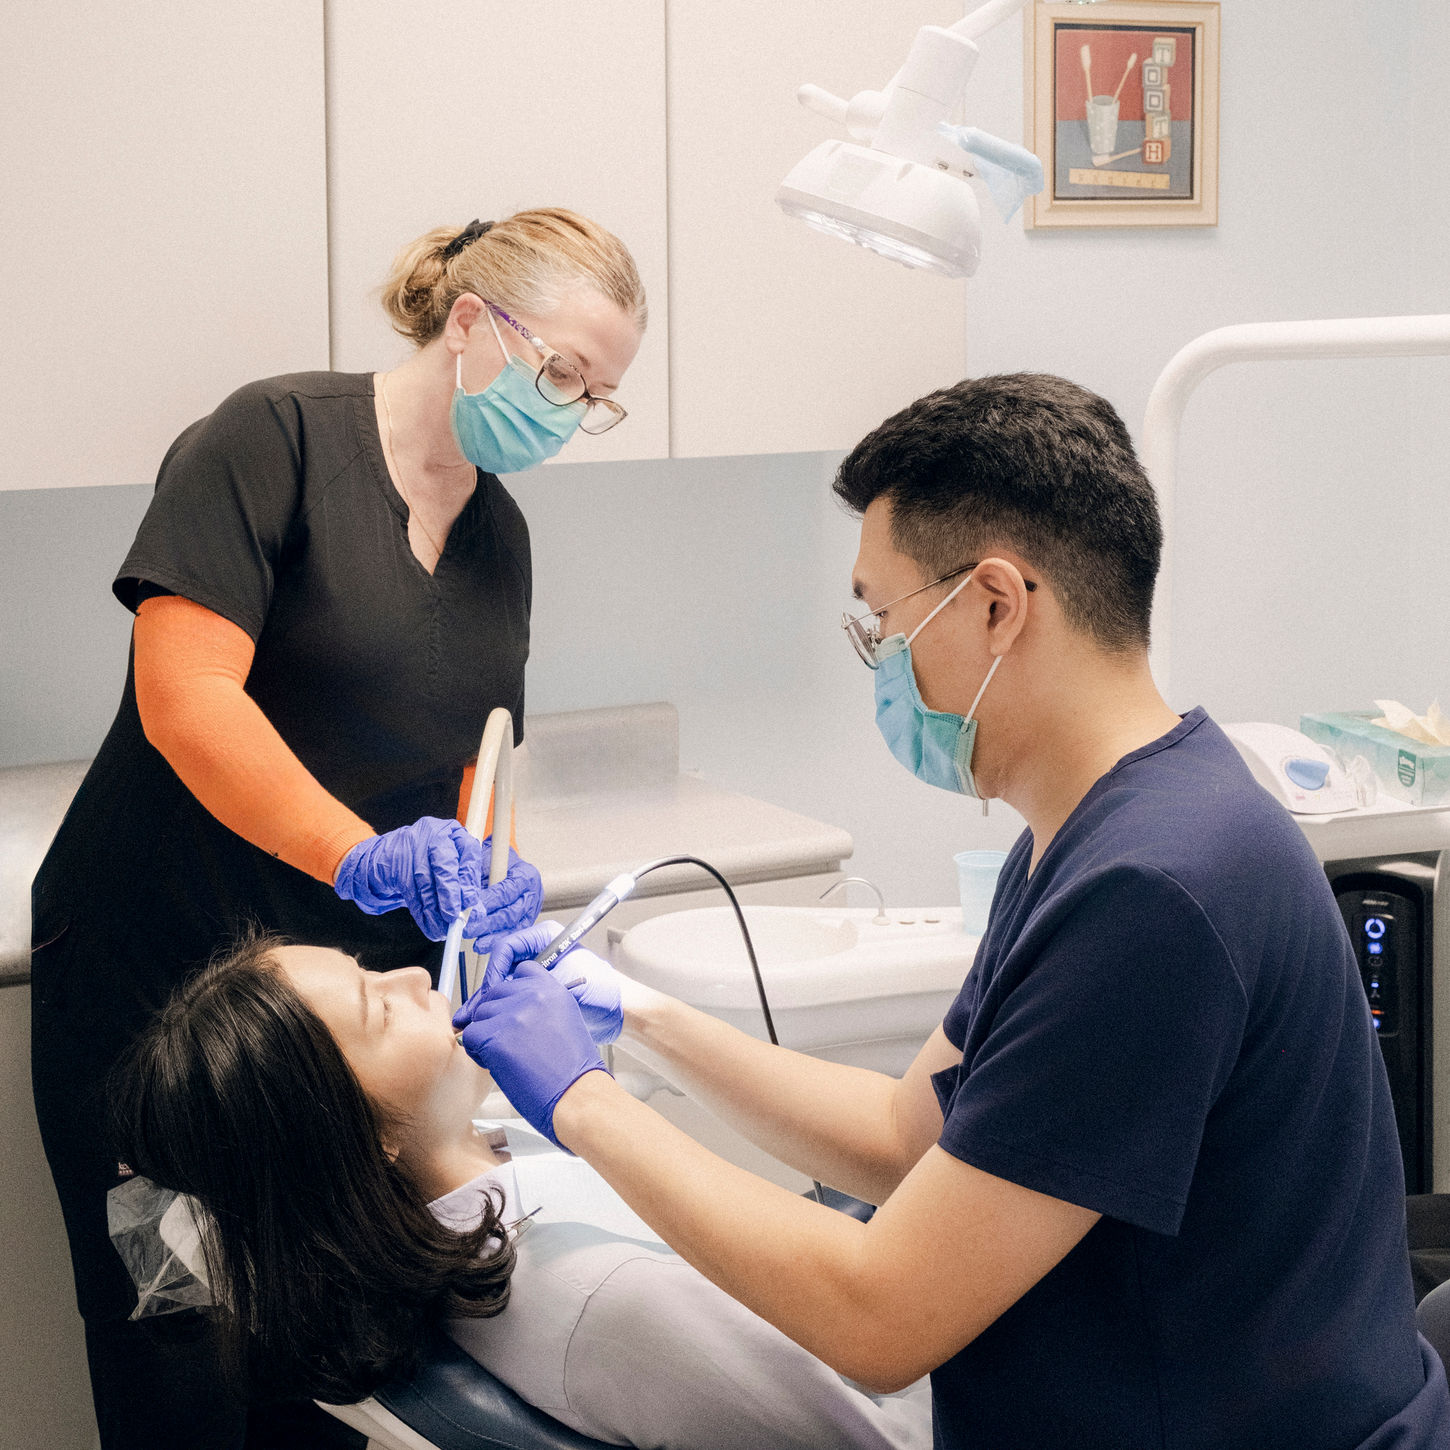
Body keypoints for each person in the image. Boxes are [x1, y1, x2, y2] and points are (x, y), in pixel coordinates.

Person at [458, 374, 1450, 1449]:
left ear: (994, 603)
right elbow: (906, 1134)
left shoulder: (1154, 890)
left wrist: (584, 1104)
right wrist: (636, 1012)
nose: (881, 659)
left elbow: (879, 1316)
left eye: (882, 622)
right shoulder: (1091, 832)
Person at [31, 208, 646, 1450]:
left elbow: (471, 760)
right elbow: (187, 701)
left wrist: (486, 873)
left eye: (597, 395)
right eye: (562, 373)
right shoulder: (275, 438)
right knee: (180, 1338)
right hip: (162, 982)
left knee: (328, 1352)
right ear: (470, 322)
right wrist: (359, 855)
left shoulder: (498, 533)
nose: (570, 412)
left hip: (337, 1025)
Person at [108, 934, 932, 1450]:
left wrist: (635, 1018)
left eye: (371, 969)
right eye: (378, 1009)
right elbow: (877, 1438)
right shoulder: (609, 1299)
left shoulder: (458, 1192)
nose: (412, 975)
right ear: (361, 1140)